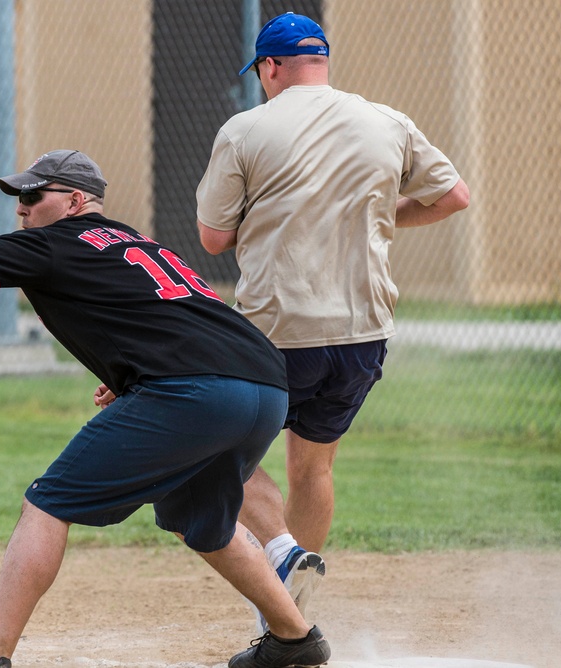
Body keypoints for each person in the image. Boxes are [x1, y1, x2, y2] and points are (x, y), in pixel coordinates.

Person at [0, 149, 331, 668]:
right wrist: (129, 375)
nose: (22, 209)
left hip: (196, 390)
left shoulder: (54, 244)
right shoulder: (135, 238)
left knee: (48, 502)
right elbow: (161, 316)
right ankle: (294, 637)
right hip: (261, 386)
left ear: (76, 200)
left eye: (33, 196)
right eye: (18, 198)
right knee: (199, 519)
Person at [195, 12, 471, 632]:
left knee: (216, 449)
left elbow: (213, 239)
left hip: (277, 329)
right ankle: (286, 617)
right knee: (313, 468)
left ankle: (283, 557)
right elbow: (453, 196)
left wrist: (276, 216)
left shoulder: (245, 129)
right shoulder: (385, 120)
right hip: (362, 330)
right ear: (320, 62)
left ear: (269, 67)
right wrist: (371, 216)